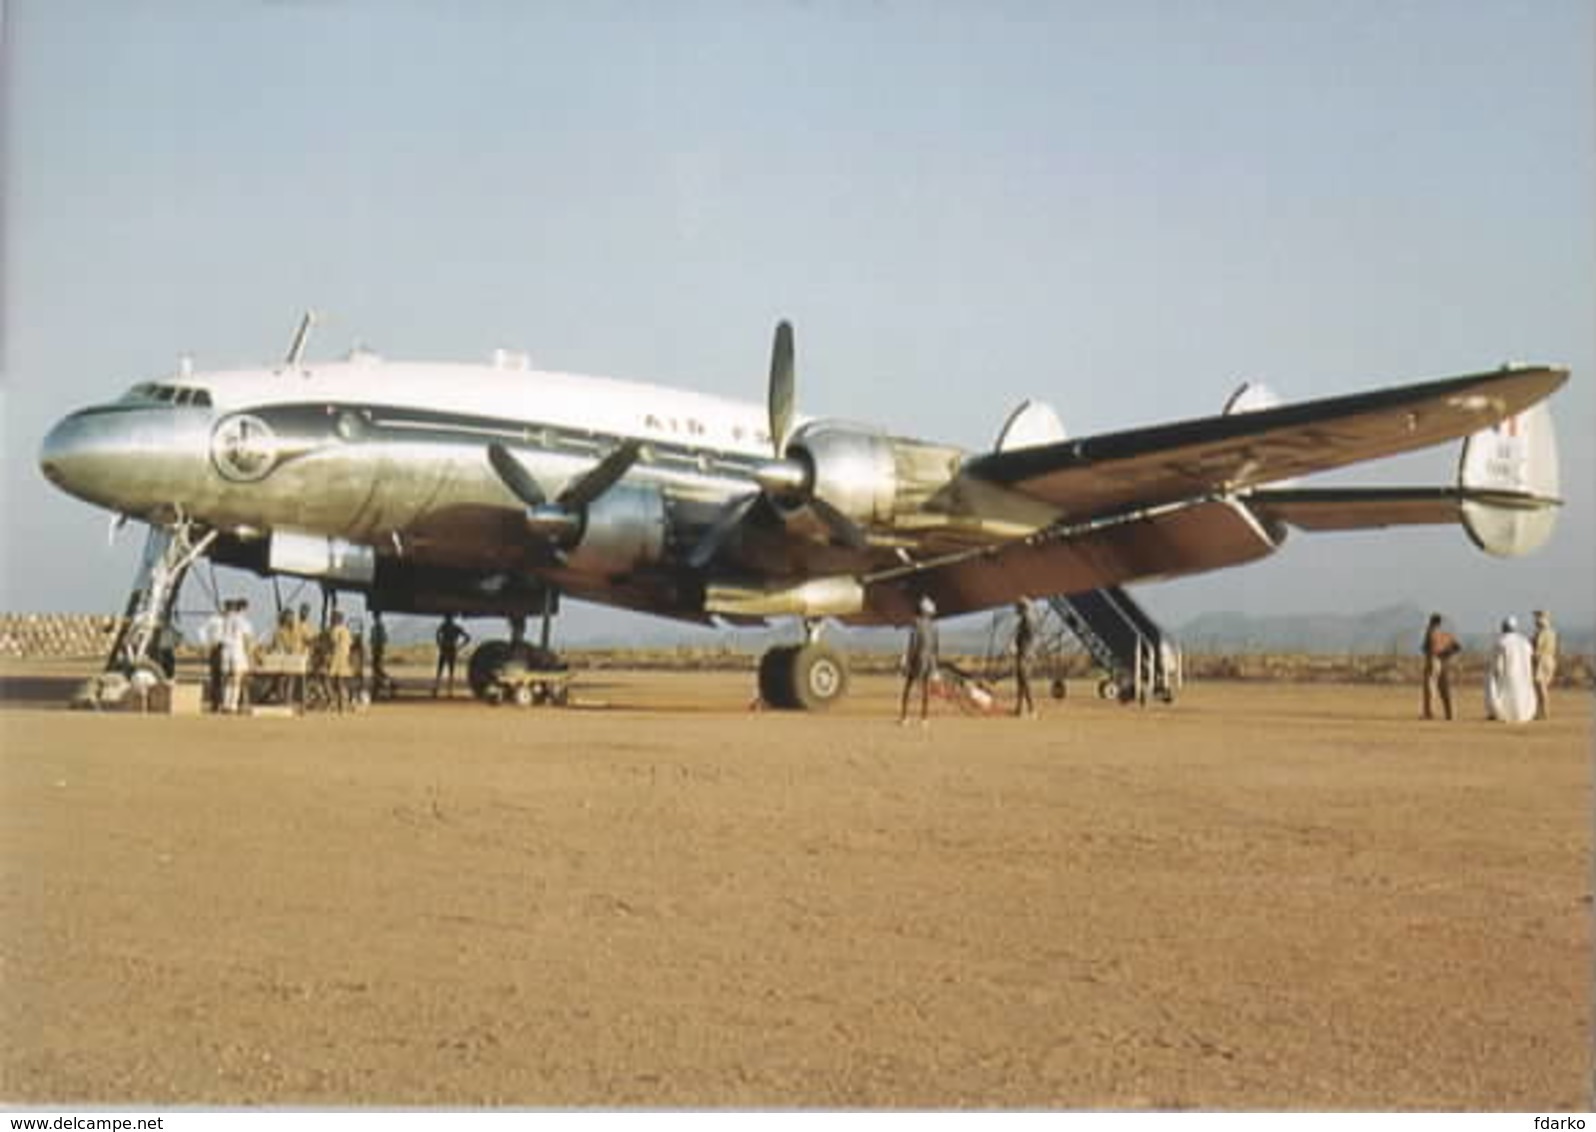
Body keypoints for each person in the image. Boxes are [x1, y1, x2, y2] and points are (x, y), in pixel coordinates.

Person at [898, 595, 940, 725]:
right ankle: (924, 719)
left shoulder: (915, 624)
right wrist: (935, 667)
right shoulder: (934, 627)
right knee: (925, 689)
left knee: (908, 688)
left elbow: (913, 643)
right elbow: (935, 647)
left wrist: (906, 659)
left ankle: (904, 718)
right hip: (929, 661)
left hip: (917, 659)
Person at [1486, 616, 1535, 723]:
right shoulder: (1525, 641)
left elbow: (1498, 664)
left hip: (1508, 675)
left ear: (1503, 627)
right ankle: (1524, 714)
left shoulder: (1501, 642)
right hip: (1524, 676)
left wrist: (1496, 675)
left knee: (1494, 684)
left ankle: (1497, 712)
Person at [1420, 612, 1461, 721]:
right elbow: (1457, 647)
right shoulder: (1446, 635)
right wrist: (1447, 653)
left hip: (1433, 661)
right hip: (1444, 662)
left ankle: (1429, 713)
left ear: (1432, 622)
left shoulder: (1430, 632)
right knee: (1445, 689)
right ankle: (1450, 714)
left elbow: (1425, 647)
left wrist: (1434, 651)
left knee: (1430, 687)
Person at [219, 599, 256, 714]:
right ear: (244, 608)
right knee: (236, 679)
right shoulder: (243, 621)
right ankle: (233, 705)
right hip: (237, 651)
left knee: (227, 679)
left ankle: (225, 703)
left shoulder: (224, 620)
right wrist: (250, 657)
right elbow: (247, 640)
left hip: (225, 651)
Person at [323, 611, 354, 713]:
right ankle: (342, 706)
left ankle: (332, 699)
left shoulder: (335, 630)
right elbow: (350, 644)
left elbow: (332, 643)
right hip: (345, 658)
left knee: (326, 679)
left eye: (332, 618)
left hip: (337, 658)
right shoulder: (346, 630)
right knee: (341, 682)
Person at [433, 614, 471, 698]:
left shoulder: (443, 626)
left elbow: (437, 635)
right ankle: (448, 691)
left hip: (445, 648)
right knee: (450, 671)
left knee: (440, 670)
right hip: (451, 648)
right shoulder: (456, 628)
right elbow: (468, 638)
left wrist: (439, 644)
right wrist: (460, 646)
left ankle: (437, 690)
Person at [199, 603, 227, 712]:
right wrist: (206, 644)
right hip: (217, 648)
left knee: (221, 678)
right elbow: (201, 630)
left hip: (223, 649)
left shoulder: (226, 621)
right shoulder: (215, 620)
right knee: (217, 677)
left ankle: (220, 703)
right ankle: (216, 703)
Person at [1012, 597, 1038, 718]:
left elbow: (1031, 638)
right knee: (1020, 682)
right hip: (1022, 653)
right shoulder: (1023, 620)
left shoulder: (1028, 621)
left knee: (1025, 681)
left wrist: (1025, 649)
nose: (1016, 610)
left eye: (1018, 607)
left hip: (1025, 654)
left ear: (1023, 608)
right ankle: (1019, 709)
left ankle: (1032, 710)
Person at [1531, 610, 1558, 721]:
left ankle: (1544, 712)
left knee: (1541, 687)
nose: (1535, 620)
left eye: (1537, 618)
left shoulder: (1542, 632)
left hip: (1543, 660)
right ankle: (1541, 711)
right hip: (1549, 659)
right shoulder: (1551, 632)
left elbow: (1537, 648)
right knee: (1542, 687)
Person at [369, 612, 394, 700]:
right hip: (376, 651)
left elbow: (383, 639)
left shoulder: (379, 627)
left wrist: (378, 647)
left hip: (378, 651)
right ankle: (377, 689)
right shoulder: (375, 627)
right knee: (376, 670)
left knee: (378, 670)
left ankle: (388, 683)